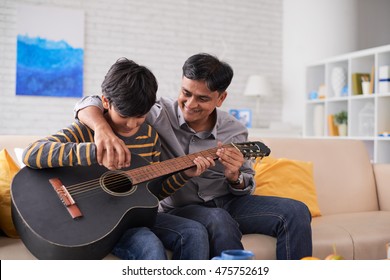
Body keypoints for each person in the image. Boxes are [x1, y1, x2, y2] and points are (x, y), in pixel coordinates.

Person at [74, 53, 313, 259]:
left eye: (202, 98)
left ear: (221, 98)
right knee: (217, 219)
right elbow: (94, 100)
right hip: (182, 207)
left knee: (296, 211)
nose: (189, 104)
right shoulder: (157, 113)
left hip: (229, 202)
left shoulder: (235, 130)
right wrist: (102, 130)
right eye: (185, 92)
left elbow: (246, 185)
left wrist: (235, 176)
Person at [22, 57, 214, 260]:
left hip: (133, 217)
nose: (132, 124)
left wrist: (184, 174)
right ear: (106, 102)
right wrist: (94, 151)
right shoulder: (85, 129)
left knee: (195, 232)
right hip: (96, 222)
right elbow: (31, 153)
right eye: (124, 115)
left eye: (140, 116)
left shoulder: (149, 137)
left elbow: (152, 195)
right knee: (149, 245)